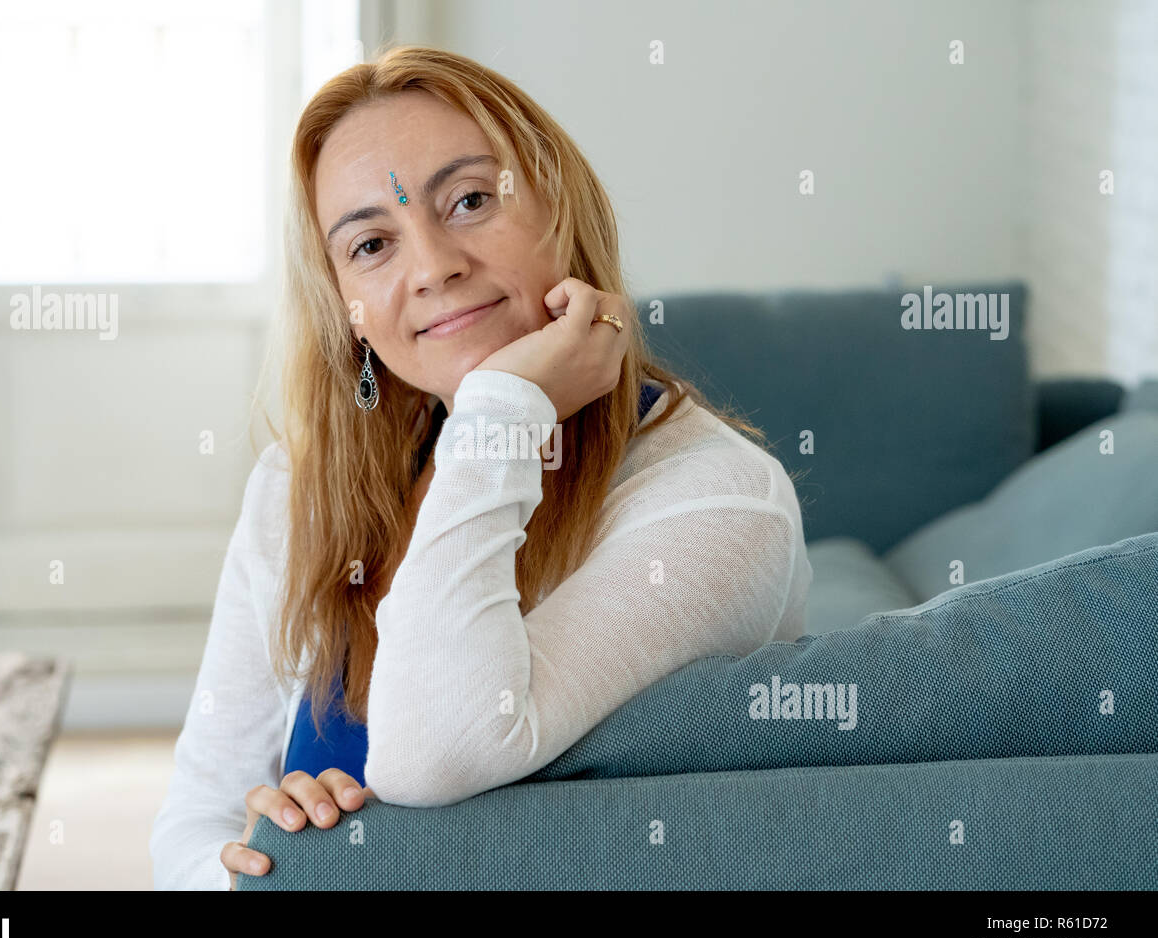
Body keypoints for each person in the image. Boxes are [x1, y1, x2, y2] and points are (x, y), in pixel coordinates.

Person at [150, 44, 812, 890]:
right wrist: (256, 867)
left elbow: (438, 748)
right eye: (370, 245)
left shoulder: (719, 501)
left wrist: (501, 406)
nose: (433, 267)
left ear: (562, 213)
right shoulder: (296, 489)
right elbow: (194, 820)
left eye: (469, 200)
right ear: (347, 312)